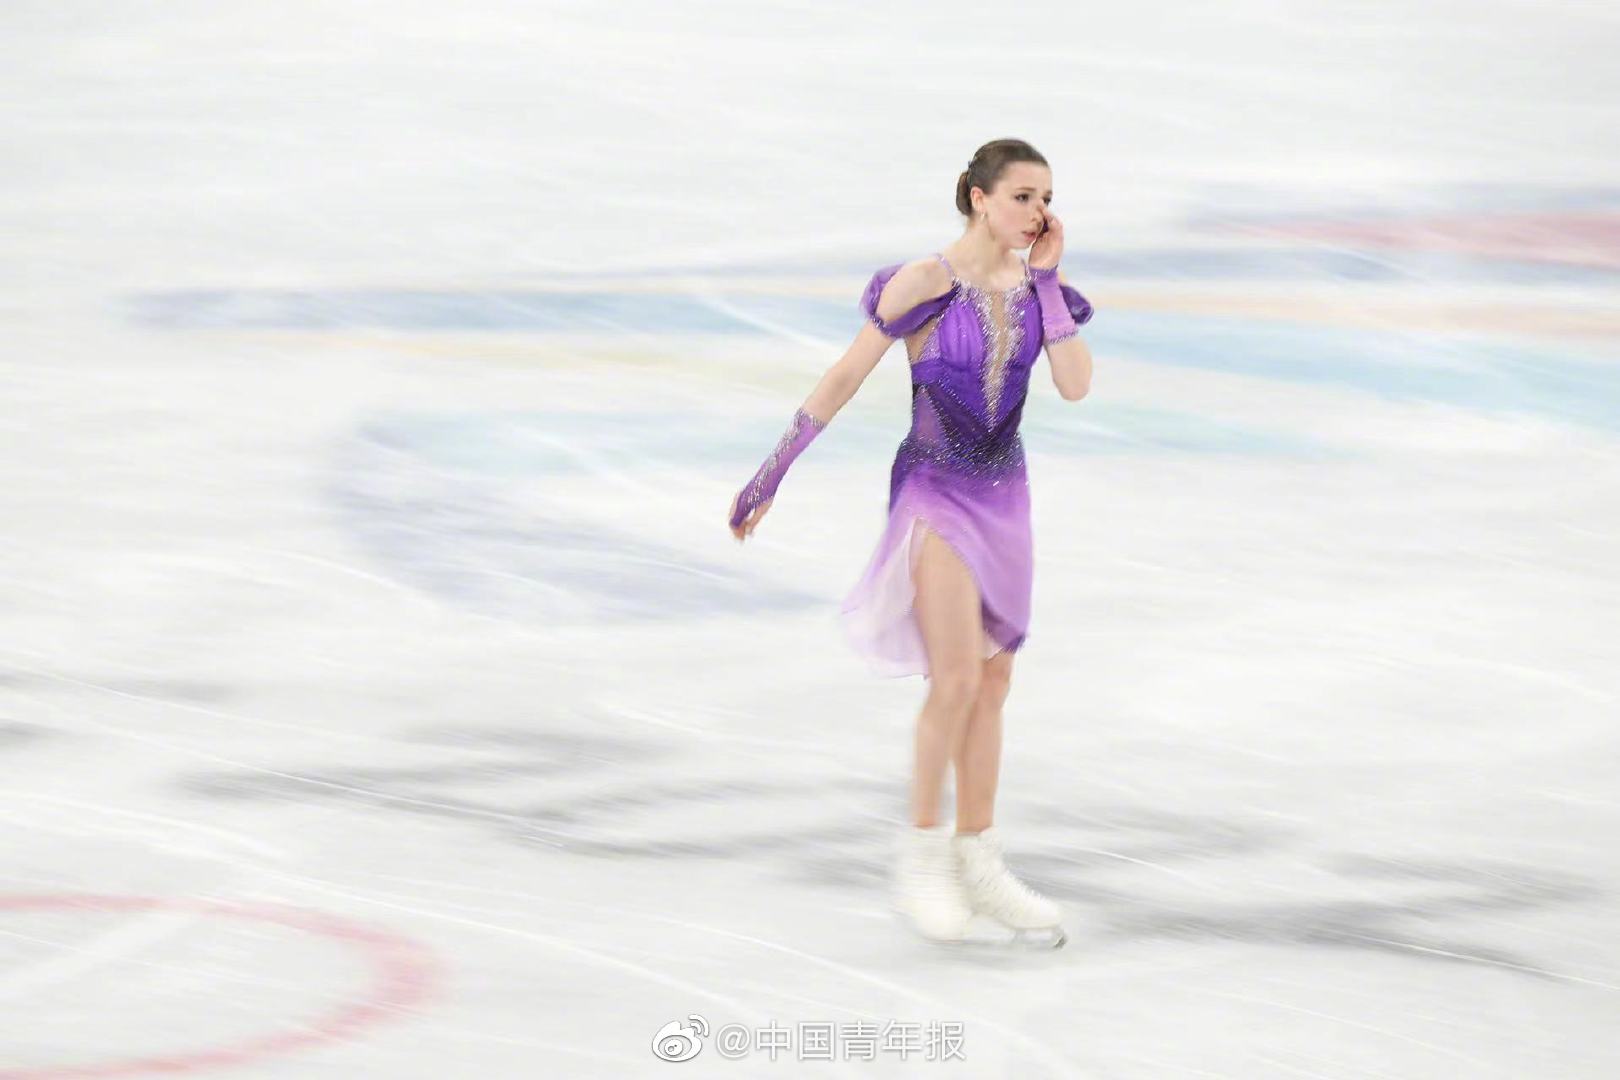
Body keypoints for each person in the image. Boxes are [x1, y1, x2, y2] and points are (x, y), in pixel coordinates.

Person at [726, 138, 1094, 946]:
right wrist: (772, 471)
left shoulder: (1038, 291)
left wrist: (1046, 283)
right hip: (934, 490)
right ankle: (923, 859)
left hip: (1005, 495)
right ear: (979, 198)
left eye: (1046, 198)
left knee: (994, 682)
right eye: (1023, 197)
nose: (1039, 213)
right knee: (955, 680)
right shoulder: (923, 282)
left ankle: (980, 863)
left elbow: (1074, 385)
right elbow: (844, 377)